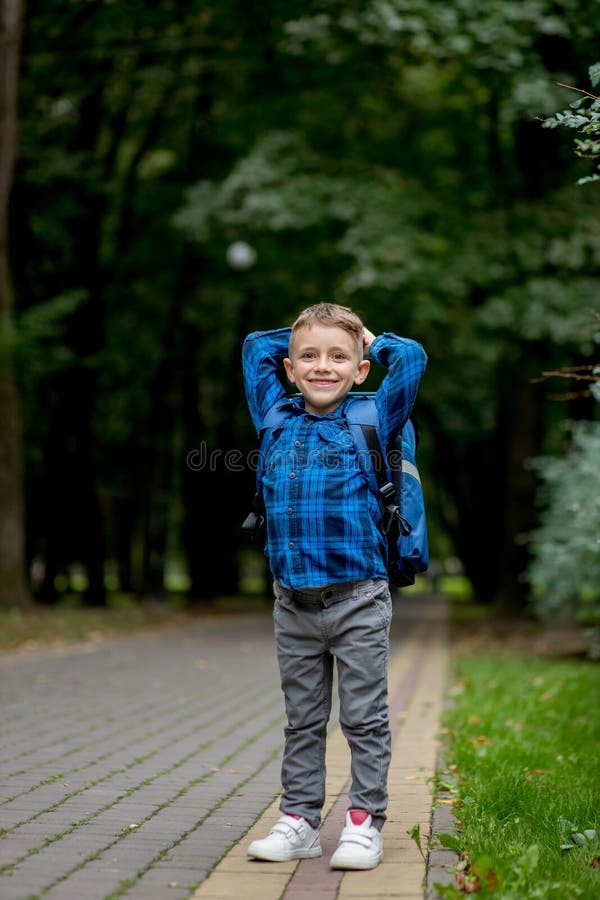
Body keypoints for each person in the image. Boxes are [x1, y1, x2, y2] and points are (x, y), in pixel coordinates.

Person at [242, 302, 427, 870]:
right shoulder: (274, 414)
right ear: (290, 369)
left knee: (364, 719)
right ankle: (298, 819)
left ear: (362, 367)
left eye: (339, 357)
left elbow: (413, 359)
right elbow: (255, 347)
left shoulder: (375, 416)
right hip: (292, 603)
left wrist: (368, 336)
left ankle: (363, 823)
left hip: (358, 599)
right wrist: (309, 328)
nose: (323, 366)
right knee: (302, 720)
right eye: (309, 357)